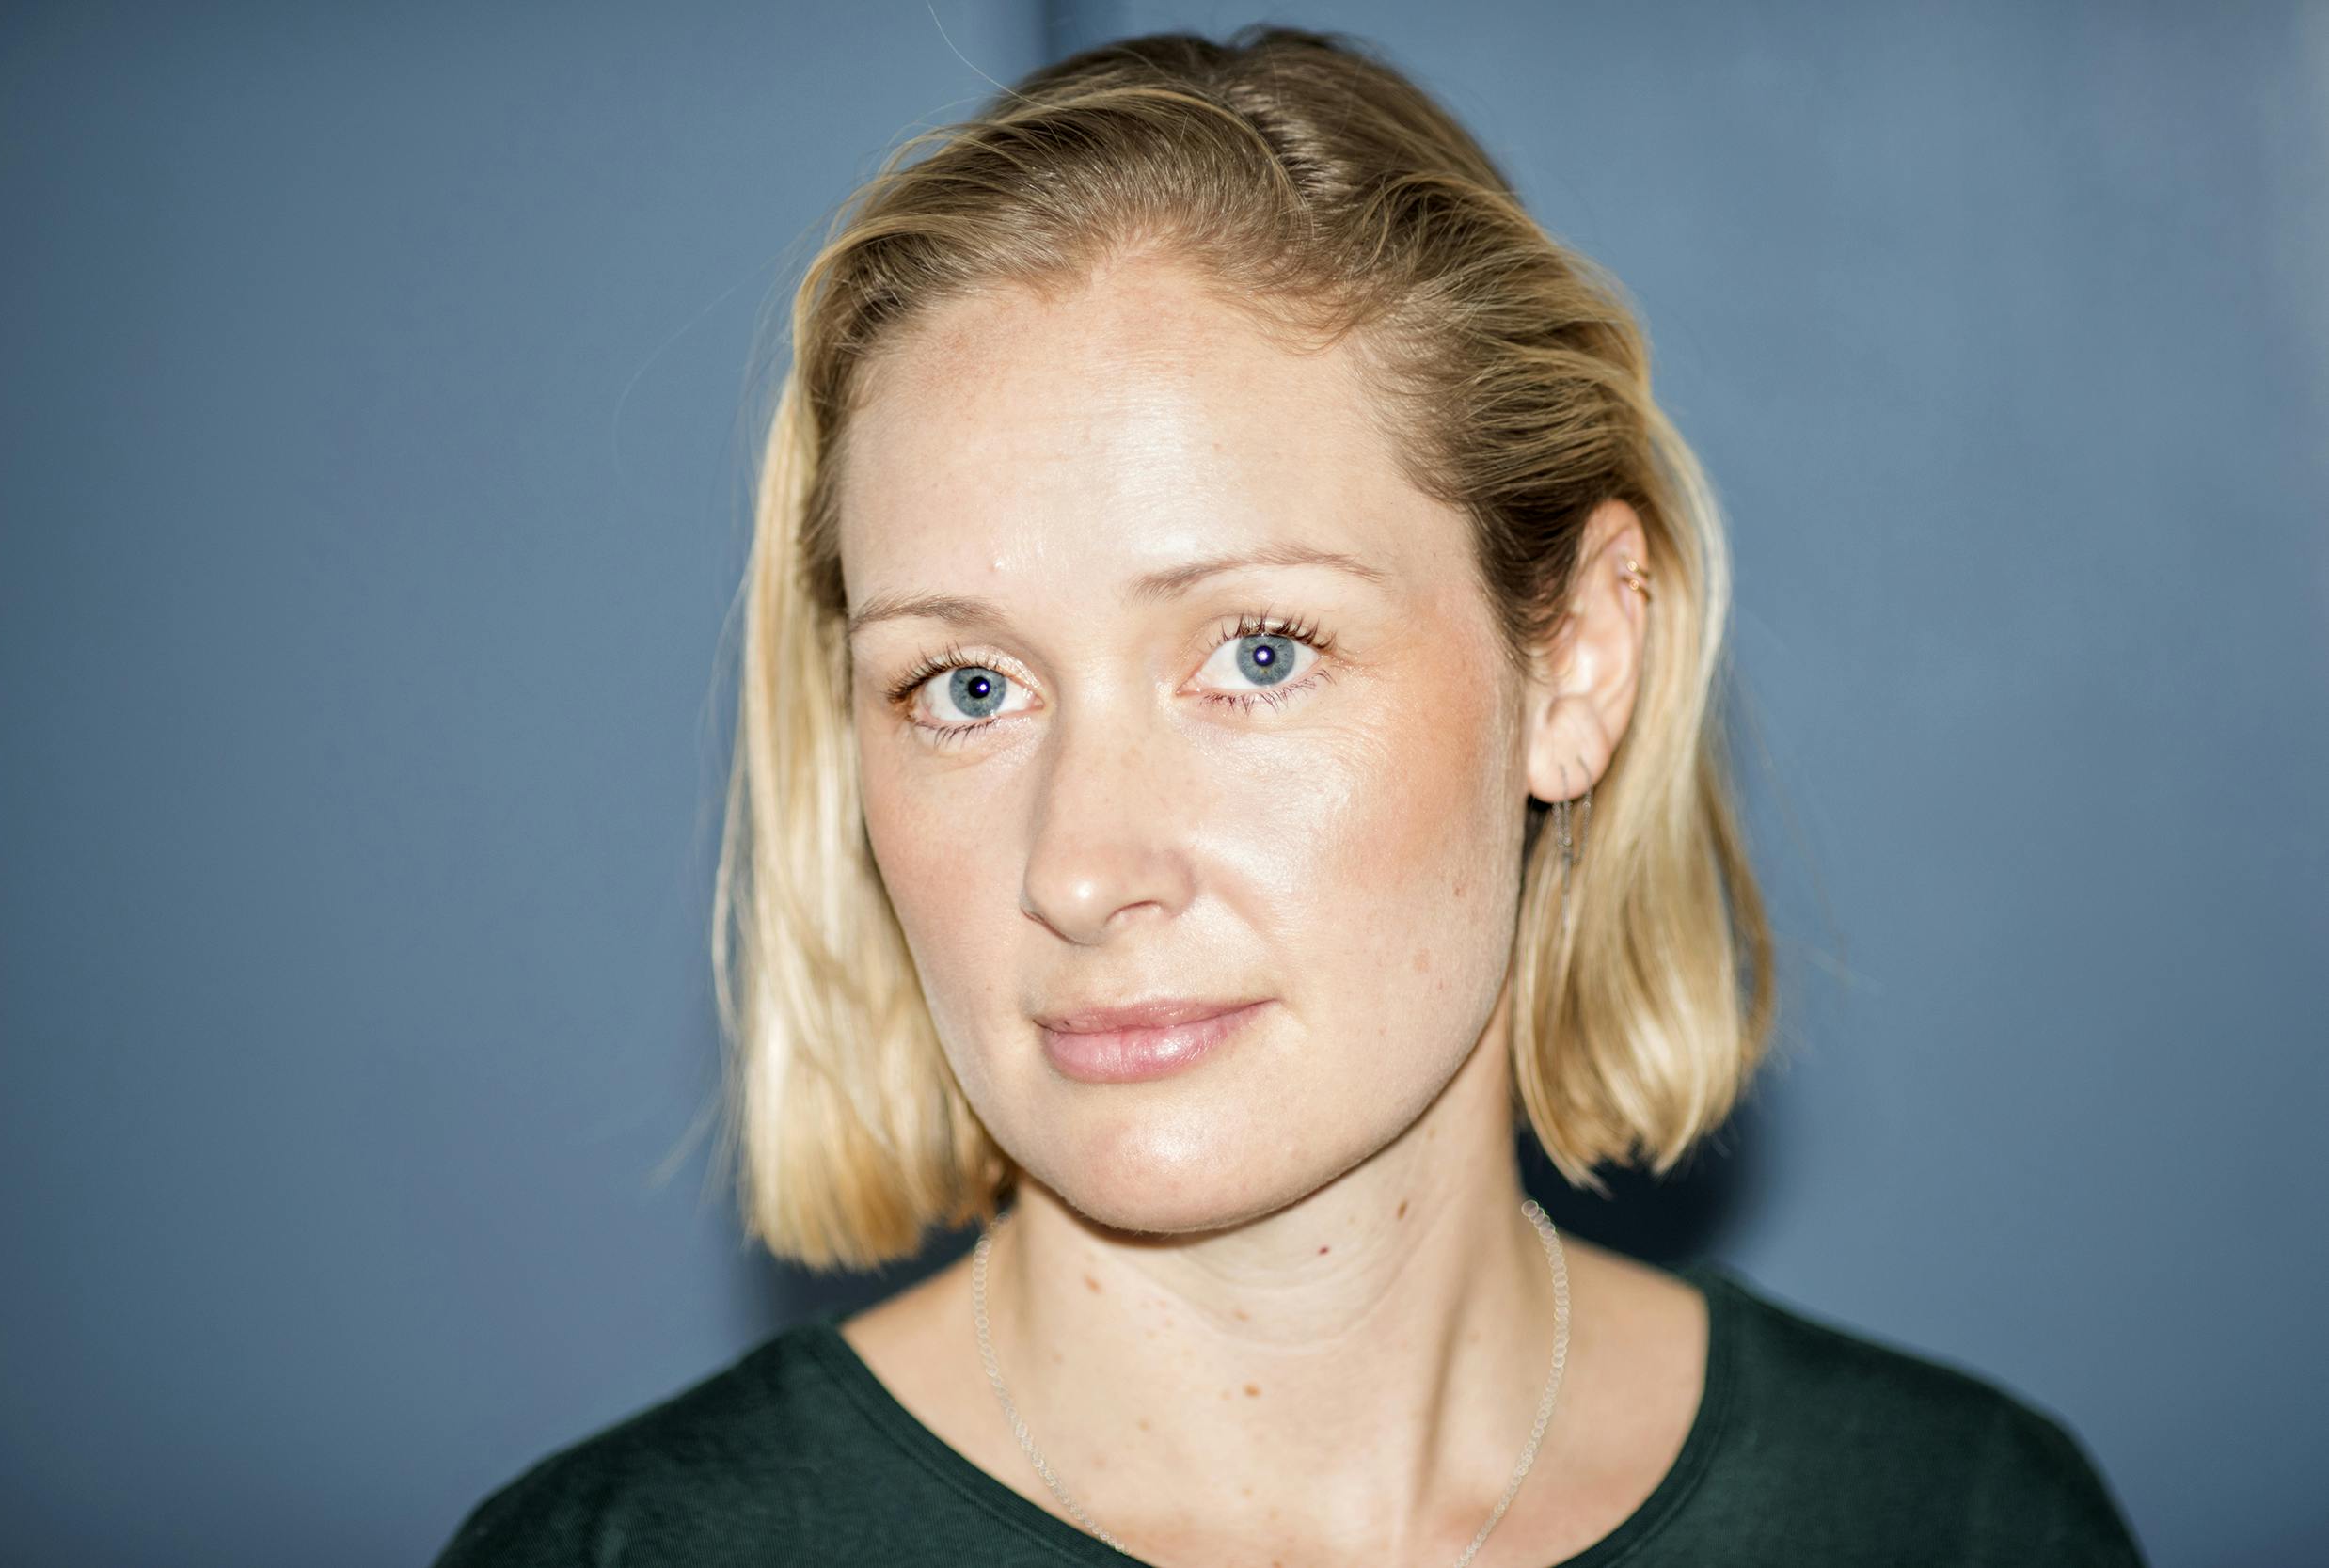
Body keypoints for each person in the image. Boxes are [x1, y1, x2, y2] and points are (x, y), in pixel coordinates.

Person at [432, 24, 2146, 1567]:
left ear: (1575, 665)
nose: (1082, 868)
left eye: (1258, 653)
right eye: (968, 687)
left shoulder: (1956, 1519)